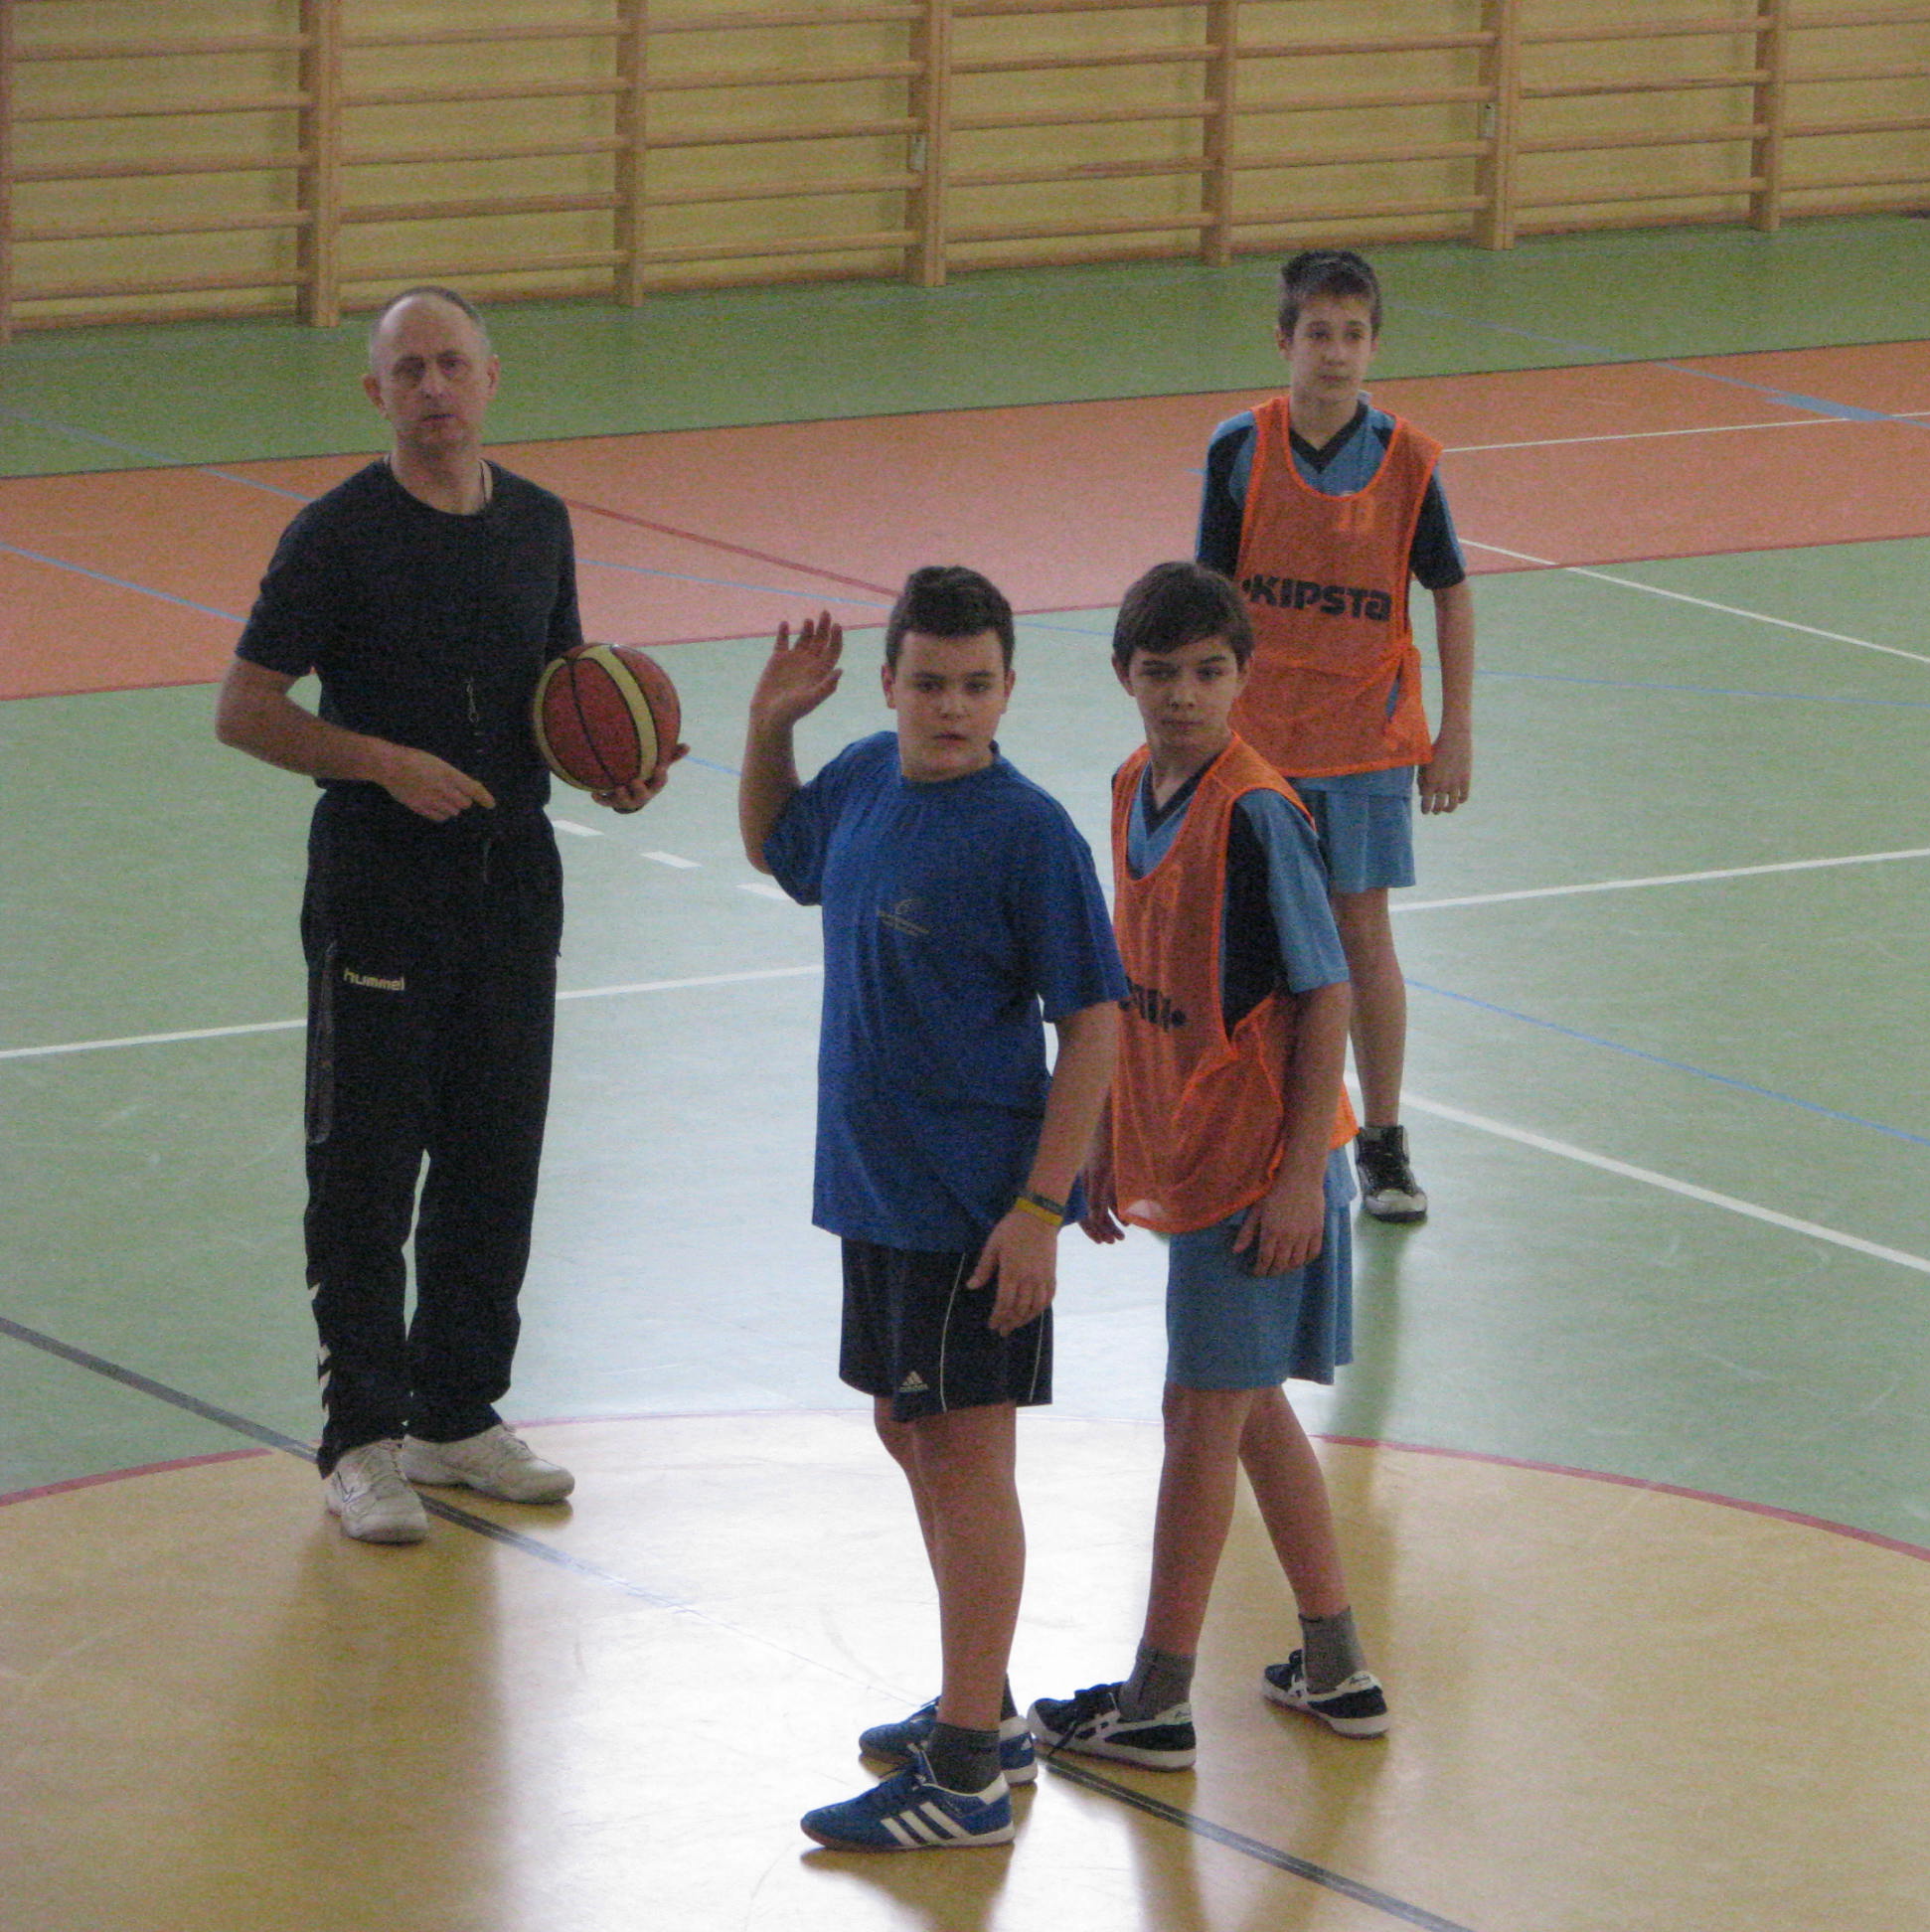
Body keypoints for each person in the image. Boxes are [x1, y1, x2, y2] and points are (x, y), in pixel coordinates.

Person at [215, 285, 681, 1546]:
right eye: (409, 369)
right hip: (379, 876)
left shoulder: (539, 523)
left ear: (490, 378)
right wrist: (379, 761)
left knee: (495, 1153)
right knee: (366, 1168)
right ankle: (362, 1439)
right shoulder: (334, 536)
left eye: (451, 364)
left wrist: (615, 769)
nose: (432, 387)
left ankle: (456, 1414)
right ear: (376, 393)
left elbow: (562, 690)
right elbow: (245, 709)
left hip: (513, 876)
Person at [740, 569, 1124, 1853]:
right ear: (891, 684)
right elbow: (780, 851)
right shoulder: (862, 777)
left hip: (971, 1204)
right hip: (875, 1188)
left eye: (975, 685)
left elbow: (1095, 1024)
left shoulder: (1029, 835)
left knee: (967, 1458)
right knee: (909, 1428)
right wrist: (769, 728)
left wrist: (1041, 1209)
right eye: (928, 683)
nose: (951, 707)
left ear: (1007, 689)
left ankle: (965, 1775)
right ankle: (986, 1707)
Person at [1028, 562, 1389, 1776]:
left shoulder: (1259, 813)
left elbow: (1327, 991)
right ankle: (1337, 1666)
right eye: (1161, 671)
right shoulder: (1130, 787)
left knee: (1198, 1417)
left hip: (1262, 1173)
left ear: (1245, 676)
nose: (1183, 693)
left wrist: (1296, 1180)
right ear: (1122, 675)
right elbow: (1136, 991)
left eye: (1207, 671)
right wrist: (1103, 1138)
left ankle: (1157, 1699)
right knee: (1247, 1409)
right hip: (1199, 1153)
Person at [1197, 245, 1476, 1225]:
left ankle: (1384, 1141)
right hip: (1258, 742)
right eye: (1319, 333)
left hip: (1366, 737)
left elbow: (1451, 591)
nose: (1337, 352)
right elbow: (1207, 603)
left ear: (1374, 347)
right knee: (1252, 934)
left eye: (1354, 335)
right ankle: (1254, 1121)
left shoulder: (1408, 460)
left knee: (1362, 932)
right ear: (1284, 341)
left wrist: (1455, 731)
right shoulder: (1240, 449)